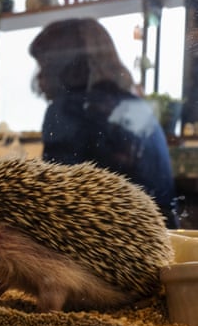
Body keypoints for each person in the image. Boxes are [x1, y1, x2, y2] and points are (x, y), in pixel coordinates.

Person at [29, 18, 180, 229]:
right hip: (165, 235)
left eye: (44, 66)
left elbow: (54, 199)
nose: (39, 78)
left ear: (61, 67)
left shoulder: (67, 109)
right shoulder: (137, 106)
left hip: (112, 239)